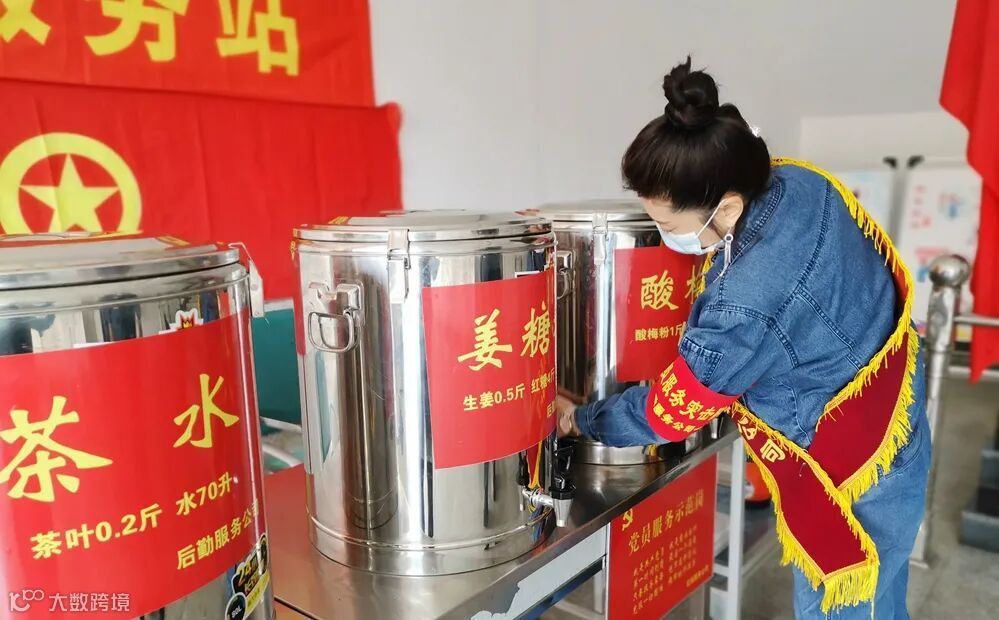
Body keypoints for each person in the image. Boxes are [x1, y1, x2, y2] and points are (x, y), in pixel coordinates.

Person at [556, 58, 930, 619]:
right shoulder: (800, 181)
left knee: (853, 604)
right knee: (885, 596)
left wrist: (582, 419)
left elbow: (669, 413)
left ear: (727, 206)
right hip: (894, 413)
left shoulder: (744, 305)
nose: (666, 236)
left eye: (669, 227)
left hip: (851, 475)